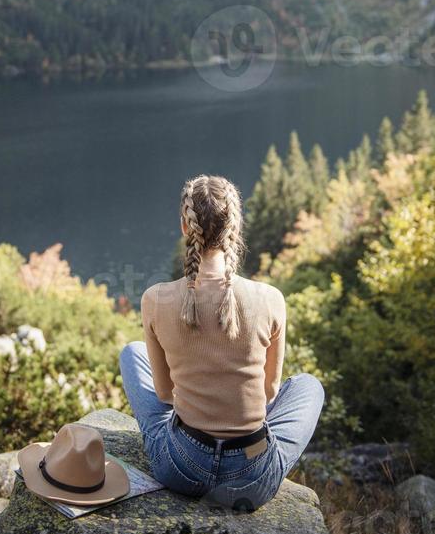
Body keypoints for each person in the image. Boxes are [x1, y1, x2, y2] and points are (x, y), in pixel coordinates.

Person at [119, 174, 325, 510]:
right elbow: (269, 393)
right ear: (235, 227)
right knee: (308, 386)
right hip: (250, 472)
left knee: (132, 353)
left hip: (181, 467)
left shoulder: (154, 299)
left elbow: (163, 395)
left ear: (186, 227)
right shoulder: (270, 298)